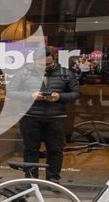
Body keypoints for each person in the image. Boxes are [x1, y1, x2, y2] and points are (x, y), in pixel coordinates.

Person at [20, 51, 81, 182]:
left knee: (55, 150)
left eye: (48, 63)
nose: (45, 67)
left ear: (54, 60)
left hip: (56, 117)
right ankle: (30, 180)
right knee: (30, 149)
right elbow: (11, 92)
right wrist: (30, 96)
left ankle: (53, 179)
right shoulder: (24, 73)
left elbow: (76, 93)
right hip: (30, 116)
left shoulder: (66, 73)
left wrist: (60, 97)